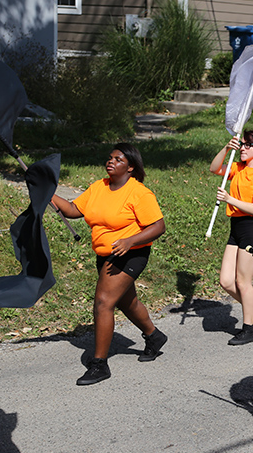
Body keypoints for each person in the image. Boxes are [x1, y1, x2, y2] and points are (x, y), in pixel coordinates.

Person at [51, 143, 167, 386]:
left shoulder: (139, 193)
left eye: (118, 159)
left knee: (104, 303)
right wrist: (47, 194)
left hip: (131, 253)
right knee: (127, 301)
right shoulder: (99, 187)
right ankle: (154, 336)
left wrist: (130, 240)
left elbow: (158, 227)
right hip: (105, 254)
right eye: (110, 158)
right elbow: (73, 210)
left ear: (131, 167)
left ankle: (99, 364)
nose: (111, 162)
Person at [210, 131, 253, 345]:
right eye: (242, 145)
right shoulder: (238, 168)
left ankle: (248, 330)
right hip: (236, 228)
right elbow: (214, 168)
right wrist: (227, 148)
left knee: (242, 281)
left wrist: (230, 199)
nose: (243, 149)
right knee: (226, 281)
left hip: (252, 230)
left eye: (247, 145)